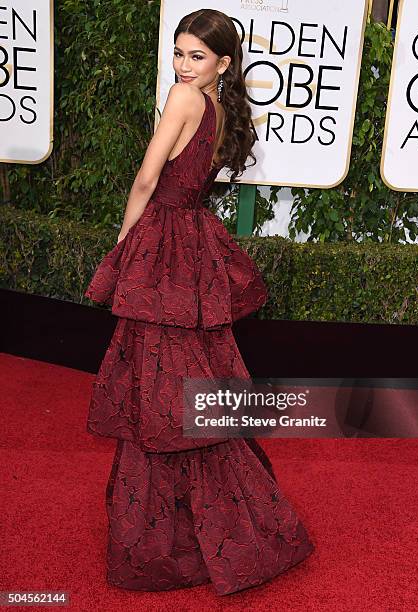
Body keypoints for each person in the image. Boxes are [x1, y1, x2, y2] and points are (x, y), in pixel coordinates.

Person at [84, 8, 314, 596]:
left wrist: (121, 244)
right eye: (179, 54)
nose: (184, 66)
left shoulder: (183, 101)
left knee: (159, 390)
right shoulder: (223, 108)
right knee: (189, 389)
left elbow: (145, 179)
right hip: (193, 243)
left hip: (162, 243)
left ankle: (171, 536)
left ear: (223, 64)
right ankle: (220, 525)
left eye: (197, 57)